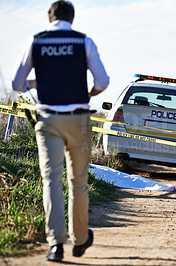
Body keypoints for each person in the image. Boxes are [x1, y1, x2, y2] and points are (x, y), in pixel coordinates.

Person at [12, 0, 109, 261]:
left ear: (49, 17)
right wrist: (87, 93)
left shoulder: (36, 41)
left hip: (48, 120)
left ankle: (55, 244)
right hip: (78, 119)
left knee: (51, 180)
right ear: (72, 19)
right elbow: (103, 81)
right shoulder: (83, 42)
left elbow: (16, 83)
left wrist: (41, 80)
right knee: (78, 182)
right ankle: (80, 240)